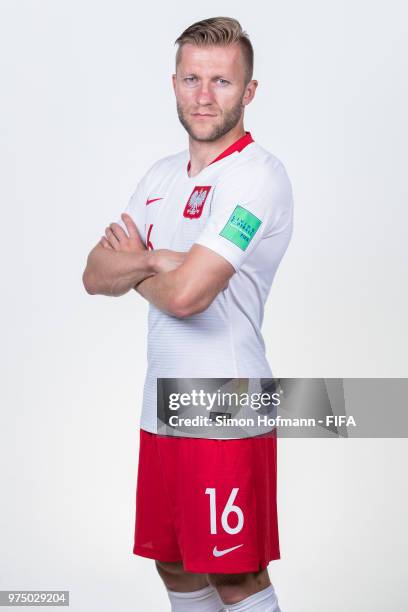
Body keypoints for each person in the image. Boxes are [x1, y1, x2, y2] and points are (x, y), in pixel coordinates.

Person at [82, 16, 293, 612]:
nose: (205, 96)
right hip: (161, 400)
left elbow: (187, 296)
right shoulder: (159, 178)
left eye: (222, 82)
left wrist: (141, 267)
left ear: (248, 92)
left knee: (233, 575)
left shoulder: (257, 177)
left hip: (225, 398)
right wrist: (162, 258)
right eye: (192, 79)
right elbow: (96, 275)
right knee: (174, 564)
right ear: (174, 83)